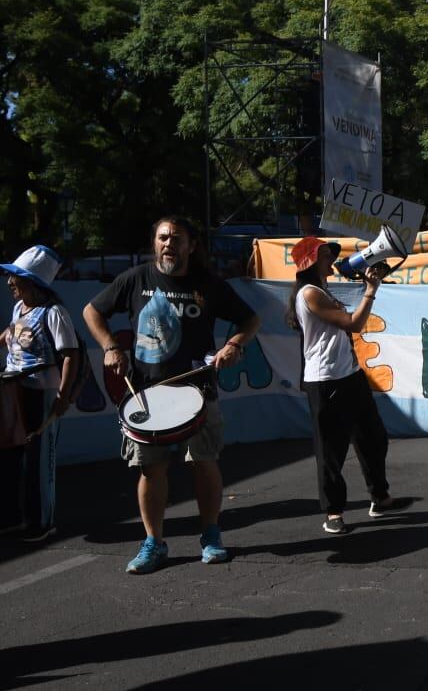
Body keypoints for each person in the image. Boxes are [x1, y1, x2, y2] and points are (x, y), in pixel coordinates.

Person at [84, 216, 261, 574]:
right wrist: (109, 347)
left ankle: (211, 536)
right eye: (162, 237)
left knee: (204, 463)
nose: (168, 244)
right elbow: (92, 311)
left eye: (176, 238)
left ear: (191, 245)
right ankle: (154, 543)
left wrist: (235, 345)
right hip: (147, 396)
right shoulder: (135, 280)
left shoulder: (209, 284)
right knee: (151, 470)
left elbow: (250, 320)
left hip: (199, 392)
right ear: (155, 243)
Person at [288, 237, 403, 534]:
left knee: (374, 438)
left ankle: (379, 496)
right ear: (310, 263)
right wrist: (370, 291)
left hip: (349, 375)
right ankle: (333, 511)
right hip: (325, 382)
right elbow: (353, 323)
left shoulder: (321, 289)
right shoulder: (309, 294)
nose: (331, 259)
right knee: (331, 450)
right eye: (325, 255)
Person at [1, 246, 81, 541]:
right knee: (11, 456)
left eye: (15, 278)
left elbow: (70, 354)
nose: (9, 282)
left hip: (42, 394)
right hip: (15, 390)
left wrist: (62, 396)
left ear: (33, 282)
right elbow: (10, 334)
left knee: (38, 459)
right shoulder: (19, 308)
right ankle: (10, 518)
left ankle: (41, 523)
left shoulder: (54, 312)